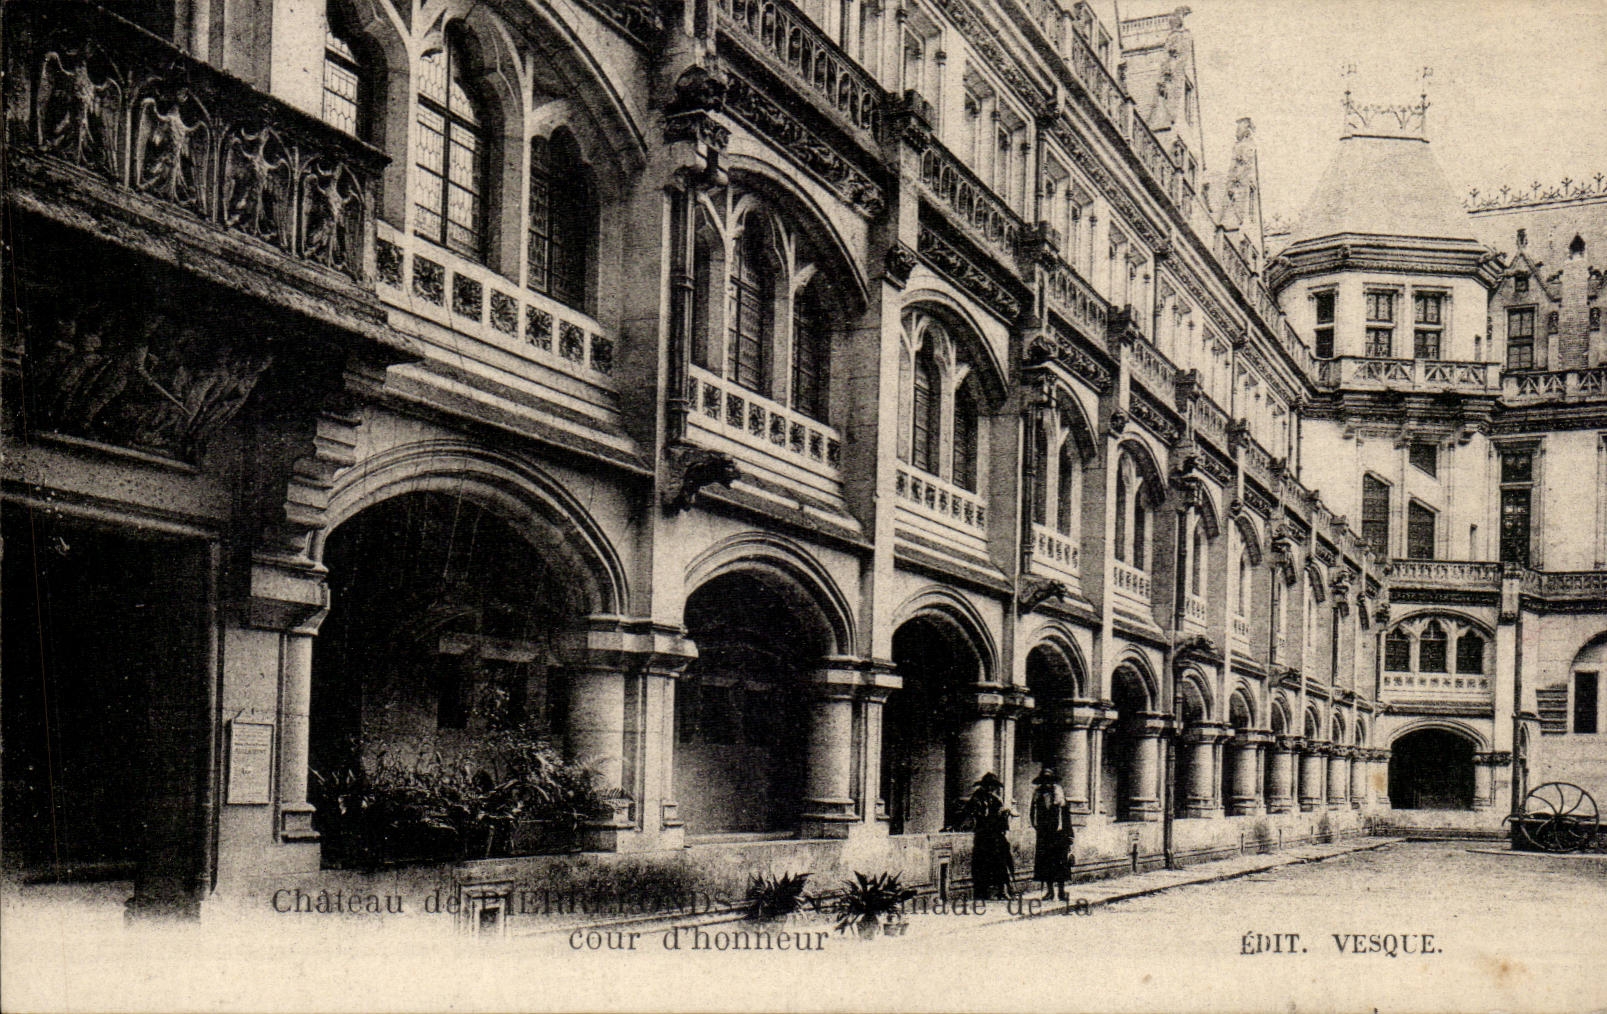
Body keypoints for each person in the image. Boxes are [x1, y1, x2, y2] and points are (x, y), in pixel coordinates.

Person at [963, 772, 1015, 900]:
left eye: (993, 786)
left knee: (1003, 859)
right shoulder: (977, 798)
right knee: (983, 864)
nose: (991, 788)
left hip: (996, 835)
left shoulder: (996, 799)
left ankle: (1003, 889)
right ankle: (983, 892)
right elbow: (972, 814)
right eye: (989, 786)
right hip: (983, 836)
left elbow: (1001, 816)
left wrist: (1004, 814)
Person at [1030, 766, 1074, 901]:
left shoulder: (1060, 798)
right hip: (1044, 835)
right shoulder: (1037, 797)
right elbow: (1032, 814)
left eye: (1049, 781)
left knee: (1060, 863)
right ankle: (1050, 892)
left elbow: (1066, 818)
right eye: (1044, 781)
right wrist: (1037, 827)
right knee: (1045, 864)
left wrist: (1069, 835)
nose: (1046, 784)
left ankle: (1061, 891)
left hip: (1059, 835)